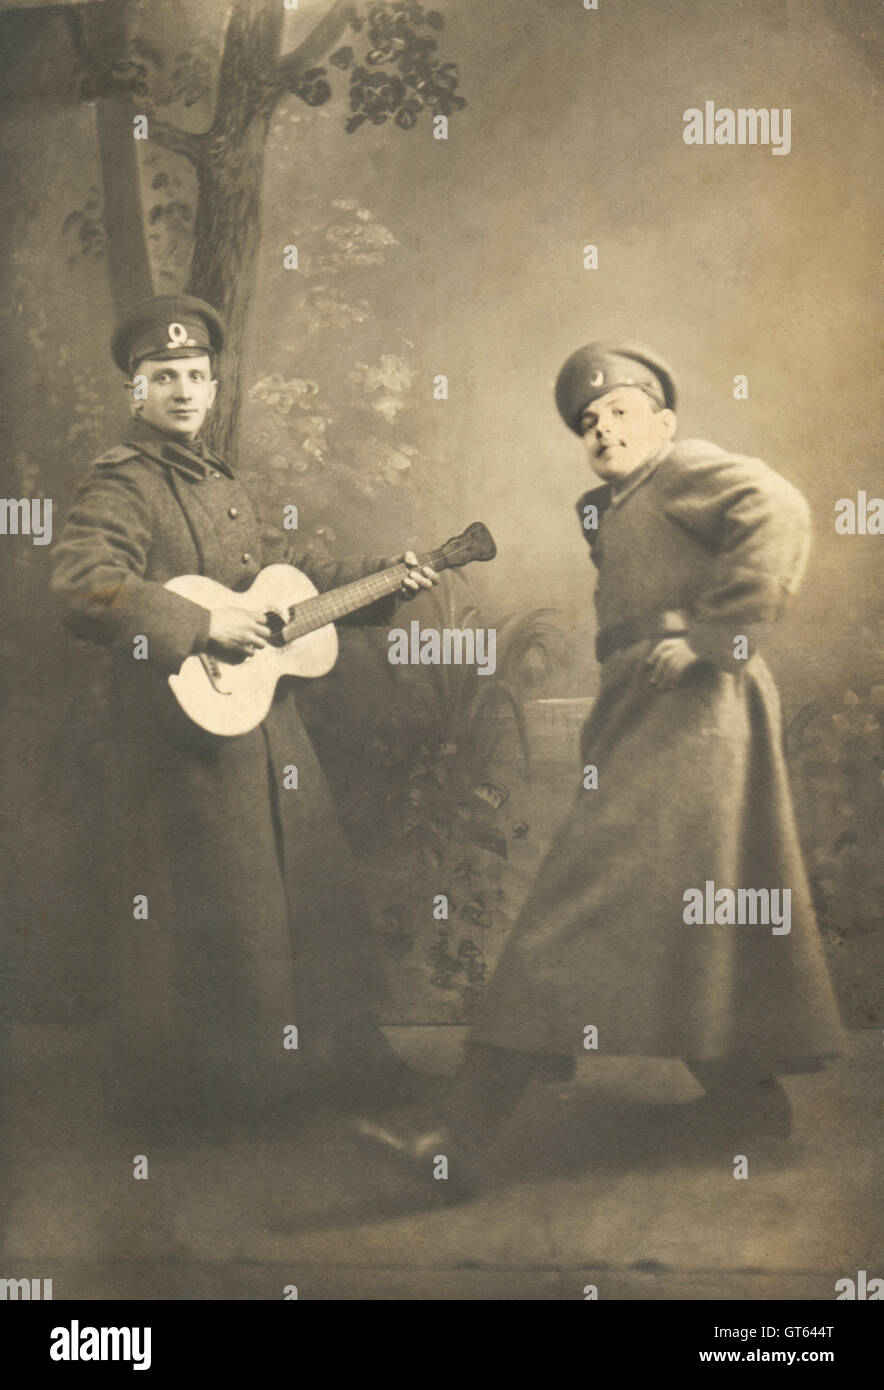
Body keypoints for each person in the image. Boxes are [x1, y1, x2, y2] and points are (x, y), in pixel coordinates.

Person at [354, 340, 846, 1185]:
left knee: (572, 908)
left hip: (697, 714)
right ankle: (749, 1102)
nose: (603, 430)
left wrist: (711, 637)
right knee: (699, 906)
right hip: (654, 715)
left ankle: (458, 1147)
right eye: (588, 421)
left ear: (666, 421)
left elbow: (781, 508)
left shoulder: (684, 467)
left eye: (621, 412)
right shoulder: (611, 506)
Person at [50, 294, 439, 1133]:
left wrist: (383, 578)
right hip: (179, 741)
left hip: (265, 725)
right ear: (136, 391)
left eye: (197, 375)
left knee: (312, 890)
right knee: (216, 914)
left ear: (214, 385)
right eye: (165, 377)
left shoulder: (218, 481)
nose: (184, 390)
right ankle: (218, 1094)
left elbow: (280, 578)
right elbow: (83, 584)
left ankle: (344, 1056)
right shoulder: (123, 481)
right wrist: (195, 624)